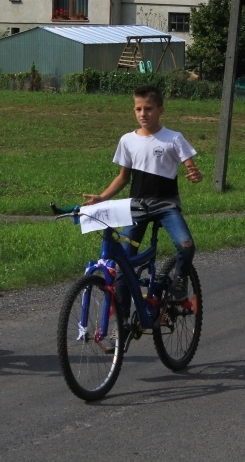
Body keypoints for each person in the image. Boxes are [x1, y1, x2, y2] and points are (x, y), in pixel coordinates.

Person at [83, 85, 203, 319]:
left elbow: (191, 167)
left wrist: (195, 174)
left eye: (148, 108)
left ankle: (179, 281)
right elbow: (123, 177)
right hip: (136, 206)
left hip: (166, 205)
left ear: (161, 110)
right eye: (138, 109)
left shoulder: (173, 138)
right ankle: (122, 319)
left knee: (186, 244)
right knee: (123, 260)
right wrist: (102, 197)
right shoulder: (128, 140)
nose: (142, 114)